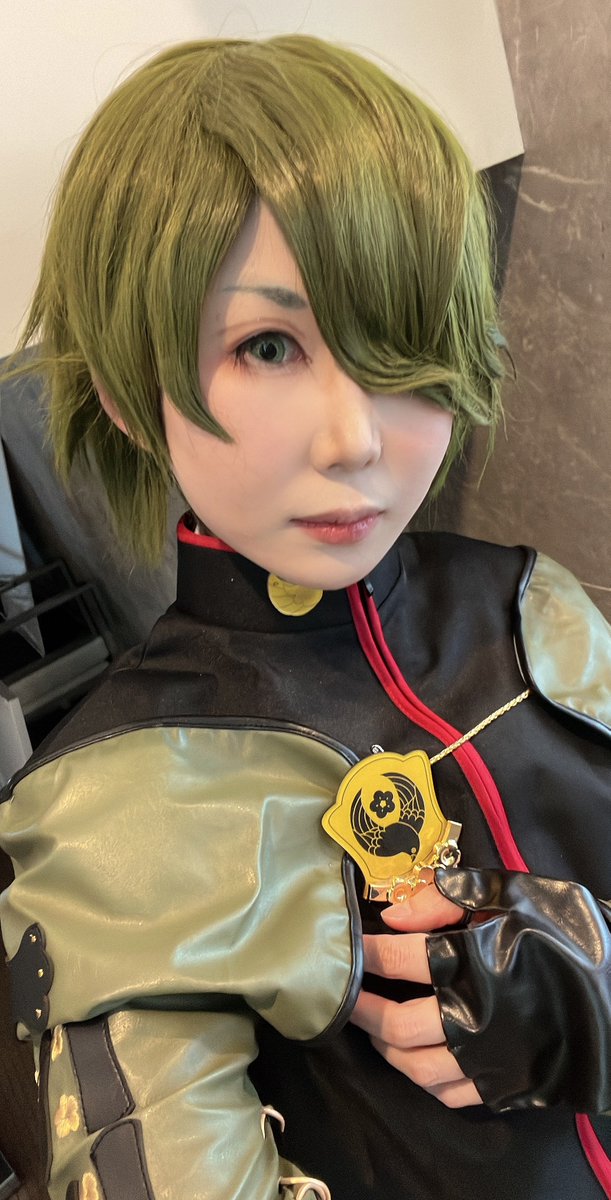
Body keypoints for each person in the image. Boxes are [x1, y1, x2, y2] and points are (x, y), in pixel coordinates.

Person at [0, 35, 609, 1200]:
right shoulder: (111, 809)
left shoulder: (531, 606)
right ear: (130, 393)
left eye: (397, 342)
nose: (355, 438)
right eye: (267, 345)